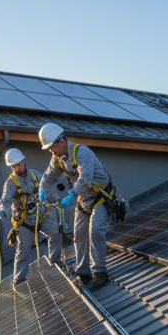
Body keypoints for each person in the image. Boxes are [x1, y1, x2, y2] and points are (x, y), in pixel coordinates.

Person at [38, 122, 113, 289]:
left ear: (62, 141)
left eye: (52, 147)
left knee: (95, 232)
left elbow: (85, 178)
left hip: (100, 196)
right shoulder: (57, 159)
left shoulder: (82, 152)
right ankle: (84, 272)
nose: (51, 151)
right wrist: (42, 189)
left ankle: (100, 273)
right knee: (78, 234)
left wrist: (72, 195)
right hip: (84, 199)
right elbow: (48, 177)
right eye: (49, 148)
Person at [0, 147, 61, 286]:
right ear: (11, 167)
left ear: (24, 161)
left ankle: (55, 262)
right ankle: (19, 281)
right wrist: (2, 211)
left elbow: (46, 187)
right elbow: (5, 201)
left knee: (55, 234)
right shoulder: (11, 183)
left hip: (41, 215)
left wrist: (55, 198)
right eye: (15, 166)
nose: (19, 168)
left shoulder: (35, 175)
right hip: (24, 221)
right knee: (23, 251)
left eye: (20, 164)